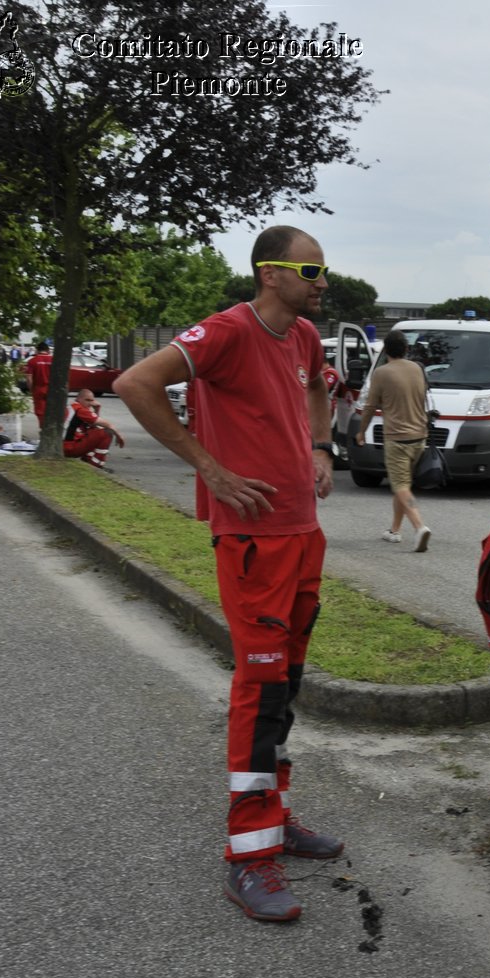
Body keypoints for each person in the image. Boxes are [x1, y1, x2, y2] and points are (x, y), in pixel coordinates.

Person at [115, 225, 343, 923]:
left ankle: (274, 814)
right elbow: (134, 382)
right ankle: (249, 857)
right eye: (309, 269)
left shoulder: (302, 336)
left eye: (324, 269)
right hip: (252, 542)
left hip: (302, 534)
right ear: (269, 273)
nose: (322, 281)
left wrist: (320, 446)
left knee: (287, 685)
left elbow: (317, 388)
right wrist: (209, 467)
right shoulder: (226, 331)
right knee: (261, 686)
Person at [355, 329, 432, 551]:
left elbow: (370, 406)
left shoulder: (381, 373)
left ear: (386, 350)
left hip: (397, 438)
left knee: (400, 486)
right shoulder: (417, 369)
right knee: (402, 484)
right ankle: (394, 531)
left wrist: (361, 431)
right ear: (406, 349)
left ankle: (419, 527)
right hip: (420, 437)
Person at [62, 388, 125, 469]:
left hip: (64, 446)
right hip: (69, 447)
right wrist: (119, 435)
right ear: (79, 399)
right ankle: (96, 465)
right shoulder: (80, 410)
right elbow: (106, 424)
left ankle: (87, 461)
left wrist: (96, 410)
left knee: (93, 432)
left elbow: (93, 426)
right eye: (87, 400)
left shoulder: (72, 407)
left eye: (92, 401)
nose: (90, 403)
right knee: (107, 433)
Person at [27, 341, 53, 420]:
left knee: (40, 411)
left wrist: (31, 390)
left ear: (37, 350)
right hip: (51, 389)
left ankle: (43, 428)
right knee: (52, 410)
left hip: (38, 389)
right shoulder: (53, 360)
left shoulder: (32, 361)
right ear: (48, 350)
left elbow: (29, 378)